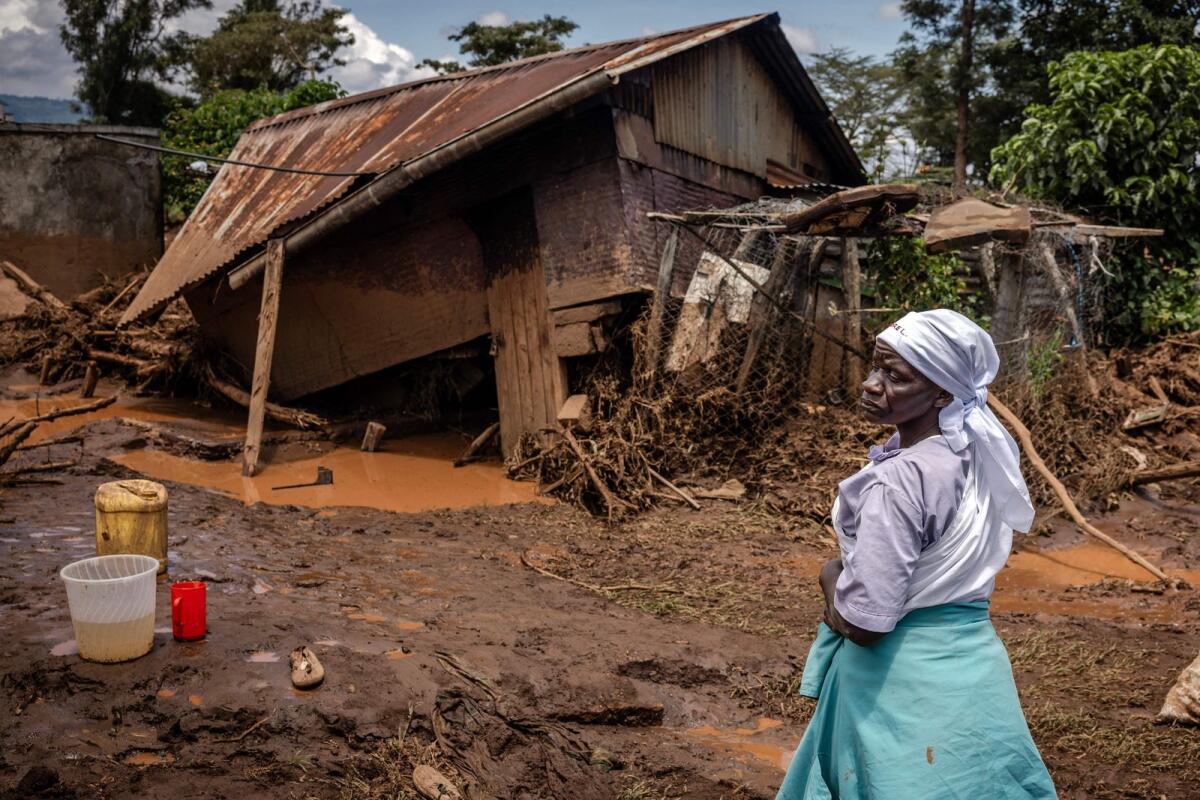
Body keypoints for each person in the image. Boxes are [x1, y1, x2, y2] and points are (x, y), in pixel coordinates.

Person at [777, 309, 1056, 799]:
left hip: (897, 687)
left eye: (894, 376)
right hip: (973, 675)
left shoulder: (899, 481)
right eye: (876, 367)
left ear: (943, 393)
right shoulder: (971, 454)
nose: (870, 384)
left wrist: (829, 575)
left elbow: (865, 624)